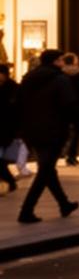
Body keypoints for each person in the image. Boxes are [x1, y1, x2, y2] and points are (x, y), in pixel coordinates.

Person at [17, 50, 79, 222]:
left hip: (32, 130)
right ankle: (26, 211)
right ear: (55, 61)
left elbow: (19, 104)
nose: (62, 63)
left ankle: (64, 204)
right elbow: (69, 104)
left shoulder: (28, 78)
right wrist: (78, 122)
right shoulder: (60, 79)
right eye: (60, 60)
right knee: (45, 170)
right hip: (54, 130)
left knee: (48, 168)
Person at [60, 52, 79, 166]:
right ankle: (72, 155)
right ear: (74, 61)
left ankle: (62, 150)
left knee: (63, 130)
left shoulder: (60, 73)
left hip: (63, 106)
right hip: (77, 106)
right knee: (77, 131)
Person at [0, 62, 17, 192]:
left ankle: (10, 181)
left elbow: (18, 110)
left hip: (7, 129)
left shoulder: (13, 88)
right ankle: (10, 181)